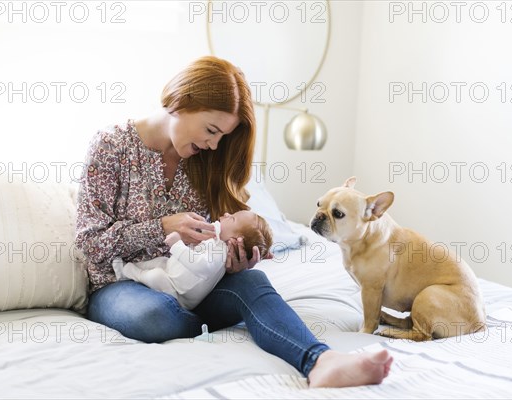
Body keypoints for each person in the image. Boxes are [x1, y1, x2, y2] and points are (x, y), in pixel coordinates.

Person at [75, 55, 393, 388]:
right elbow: (89, 242)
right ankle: (213, 323)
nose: (213, 144)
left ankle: (322, 361)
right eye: (211, 130)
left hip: (195, 286)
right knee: (153, 315)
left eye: (221, 137)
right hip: (124, 287)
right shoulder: (110, 147)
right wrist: (163, 227)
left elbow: (216, 239)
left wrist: (230, 261)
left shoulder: (205, 160)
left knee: (252, 283)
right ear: (183, 100)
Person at [112, 210, 272, 310]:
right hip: (171, 267)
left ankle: (129, 271)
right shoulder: (216, 240)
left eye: (233, 219)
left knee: (156, 276)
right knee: (159, 262)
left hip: (178, 292)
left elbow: (200, 267)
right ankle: (125, 271)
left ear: (237, 239)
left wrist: (177, 245)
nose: (227, 214)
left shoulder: (221, 251)